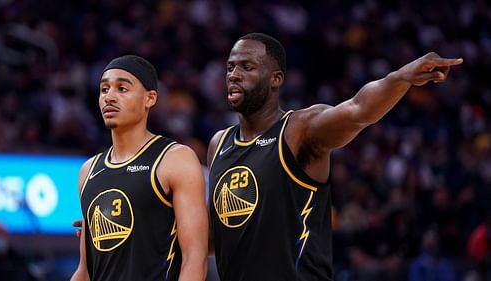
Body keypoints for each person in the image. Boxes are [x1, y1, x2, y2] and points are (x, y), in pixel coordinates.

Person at [207, 33, 463, 280]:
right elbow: (213, 237)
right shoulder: (219, 144)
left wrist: (400, 78)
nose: (234, 75)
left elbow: (357, 110)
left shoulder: (300, 129)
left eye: (246, 67)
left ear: (276, 79)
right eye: (230, 68)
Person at [71, 55, 208, 281]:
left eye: (122, 88)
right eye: (104, 89)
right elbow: (85, 270)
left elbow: (195, 257)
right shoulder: (88, 170)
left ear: (150, 98)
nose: (110, 97)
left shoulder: (175, 159)